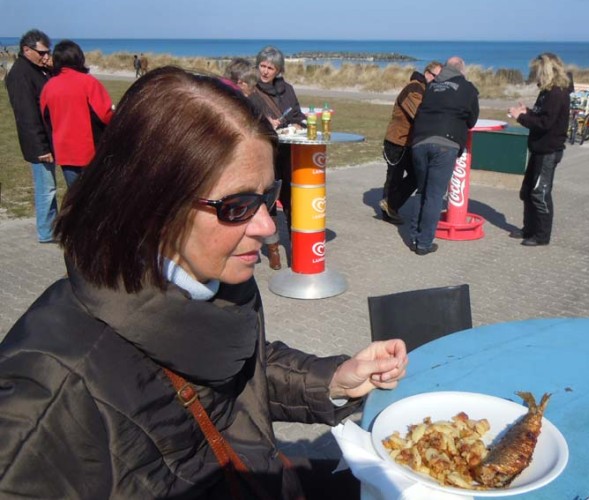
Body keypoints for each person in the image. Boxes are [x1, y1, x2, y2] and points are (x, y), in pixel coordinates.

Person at [0, 67, 408, 499]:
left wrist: (333, 379)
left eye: (268, 197)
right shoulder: (47, 393)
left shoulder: (212, 279)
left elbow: (233, 366)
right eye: (238, 206)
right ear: (152, 203)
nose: (268, 227)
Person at [409, 56, 480, 255]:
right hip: (445, 144)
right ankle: (424, 244)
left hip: (419, 142)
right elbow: (472, 120)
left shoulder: (431, 86)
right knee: (434, 195)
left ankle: (414, 235)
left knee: (421, 192)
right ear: (462, 70)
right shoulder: (467, 88)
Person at [225, 56, 283, 270]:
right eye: (251, 87)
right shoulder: (229, 98)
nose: (252, 92)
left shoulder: (219, 92)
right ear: (241, 83)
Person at [508, 53, 571, 246]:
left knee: (540, 192)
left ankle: (542, 235)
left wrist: (520, 117)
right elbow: (542, 116)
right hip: (539, 148)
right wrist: (527, 112)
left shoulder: (557, 93)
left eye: (536, 71)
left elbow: (545, 123)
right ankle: (529, 228)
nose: (534, 75)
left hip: (548, 150)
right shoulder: (547, 92)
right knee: (528, 191)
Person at [248, 46, 306, 241]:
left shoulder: (287, 89)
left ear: (278, 70)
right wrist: (265, 122)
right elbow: (244, 119)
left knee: (291, 200)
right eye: (262, 66)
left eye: (270, 68)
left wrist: (298, 124)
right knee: (267, 201)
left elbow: (297, 114)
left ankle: (296, 244)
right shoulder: (251, 91)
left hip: (287, 152)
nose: (264, 71)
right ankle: (273, 249)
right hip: (264, 153)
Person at [5, 29, 57, 243]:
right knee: (46, 188)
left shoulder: (38, 69)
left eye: (48, 52)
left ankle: (51, 226)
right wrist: (41, 148)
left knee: (50, 187)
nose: (46, 56)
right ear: (26, 50)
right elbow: (26, 116)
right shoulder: (20, 74)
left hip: (50, 138)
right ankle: (46, 231)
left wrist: (52, 68)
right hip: (39, 144)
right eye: (42, 52)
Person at [40, 40, 114, 188]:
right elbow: (105, 115)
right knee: (95, 195)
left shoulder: (49, 86)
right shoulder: (88, 83)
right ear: (79, 58)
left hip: (65, 151)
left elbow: (46, 118)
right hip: (90, 151)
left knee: (75, 196)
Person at [379, 61, 442, 225]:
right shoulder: (415, 88)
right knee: (395, 177)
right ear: (428, 73)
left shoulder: (423, 89)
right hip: (397, 141)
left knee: (415, 175)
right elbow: (419, 114)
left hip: (408, 142)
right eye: (436, 76)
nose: (438, 80)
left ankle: (391, 206)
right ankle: (389, 210)